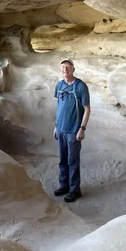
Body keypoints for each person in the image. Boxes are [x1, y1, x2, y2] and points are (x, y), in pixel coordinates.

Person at [53, 59, 90, 203]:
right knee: (62, 160)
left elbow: (87, 109)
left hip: (73, 130)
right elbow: (59, 106)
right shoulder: (59, 85)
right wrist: (56, 126)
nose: (65, 69)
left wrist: (82, 128)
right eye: (63, 67)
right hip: (61, 129)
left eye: (68, 67)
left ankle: (75, 190)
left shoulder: (80, 86)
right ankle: (64, 186)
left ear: (73, 69)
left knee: (72, 161)